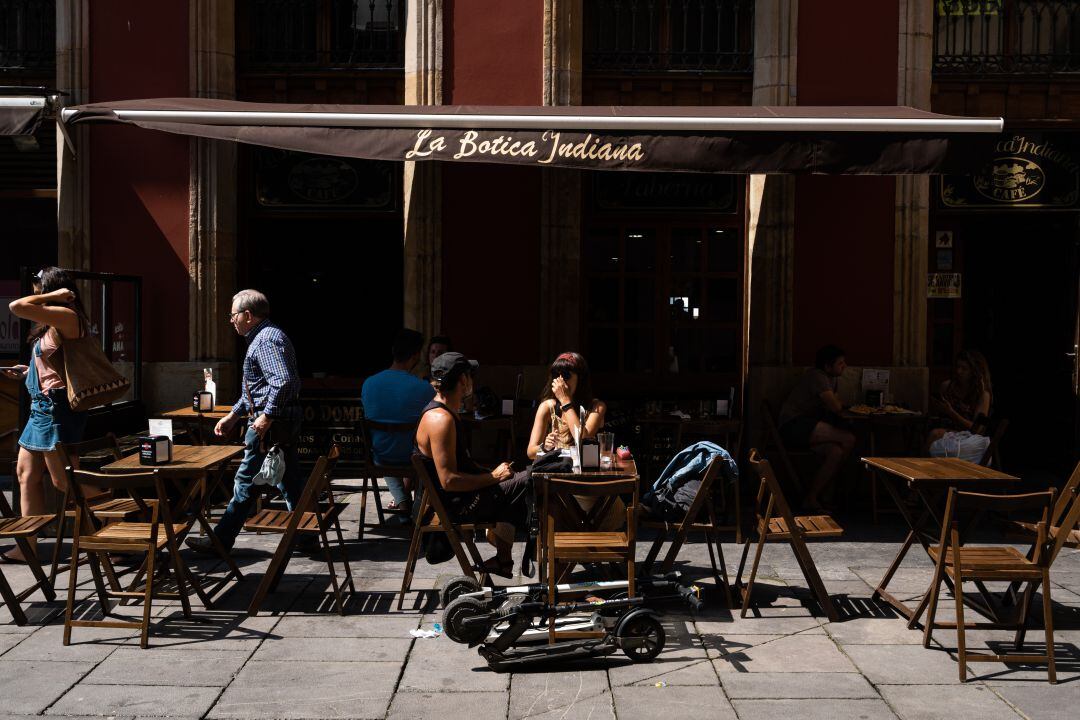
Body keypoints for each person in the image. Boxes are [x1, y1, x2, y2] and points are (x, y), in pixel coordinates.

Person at [187, 289, 303, 556]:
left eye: (233, 315)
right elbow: (258, 387)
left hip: (270, 427)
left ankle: (221, 540)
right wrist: (234, 414)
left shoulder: (265, 340)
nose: (231, 320)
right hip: (276, 424)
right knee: (289, 481)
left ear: (248, 315)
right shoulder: (265, 336)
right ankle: (307, 537)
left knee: (246, 481)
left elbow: (284, 381)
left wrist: (266, 416)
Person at [1, 268, 89, 563]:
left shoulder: (67, 315)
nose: (36, 292)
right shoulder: (50, 322)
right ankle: (27, 547)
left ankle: (111, 529)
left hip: (56, 408)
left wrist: (52, 297)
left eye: (40, 287)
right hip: (40, 405)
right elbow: (52, 364)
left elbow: (15, 307)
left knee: (66, 482)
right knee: (25, 475)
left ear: (54, 289)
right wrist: (28, 374)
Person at [414, 352, 529, 578]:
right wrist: (492, 477)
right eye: (469, 376)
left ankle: (504, 560)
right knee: (529, 480)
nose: (472, 382)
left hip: (457, 500)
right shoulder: (441, 420)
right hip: (455, 507)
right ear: (463, 381)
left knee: (520, 478)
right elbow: (449, 481)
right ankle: (555, 552)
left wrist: (493, 475)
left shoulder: (447, 413)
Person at [361, 328, 435, 517]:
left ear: (394, 351)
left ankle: (403, 502)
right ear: (416, 355)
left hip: (380, 456)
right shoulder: (424, 389)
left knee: (387, 444)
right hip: (413, 458)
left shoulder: (369, 384)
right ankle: (419, 505)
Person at [777, 344, 856, 511]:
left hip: (808, 426)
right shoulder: (817, 377)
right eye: (840, 363)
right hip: (794, 425)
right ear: (827, 366)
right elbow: (836, 406)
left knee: (836, 452)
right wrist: (838, 404)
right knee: (848, 439)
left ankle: (813, 496)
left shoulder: (831, 379)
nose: (845, 366)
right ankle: (830, 492)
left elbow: (835, 405)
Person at [526, 352, 607, 459]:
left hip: (583, 470)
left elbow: (583, 440)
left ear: (580, 378)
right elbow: (531, 452)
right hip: (556, 469)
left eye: (566, 375)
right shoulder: (547, 407)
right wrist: (545, 447)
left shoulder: (596, 407)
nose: (560, 380)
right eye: (556, 375)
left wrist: (565, 401)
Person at [927, 349, 993, 450]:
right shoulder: (947, 386)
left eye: (964, 368)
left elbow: (977, 429)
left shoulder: (982, 395)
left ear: (973, 371)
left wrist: (951, 412)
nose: (959, 371)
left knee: (935, 434)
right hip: (948, 429)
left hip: (969, 437)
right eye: (957, 367)